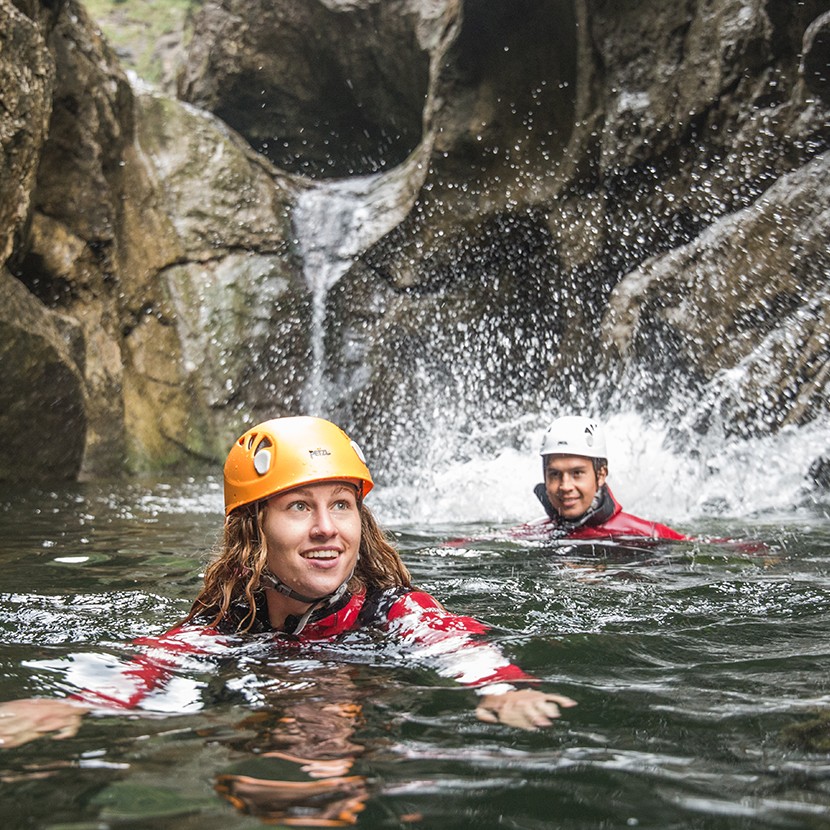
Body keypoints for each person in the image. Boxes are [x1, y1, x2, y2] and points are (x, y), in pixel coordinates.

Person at [0, 416, 576, 751]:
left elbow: (454, 641)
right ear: (254, 530)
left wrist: (503, 687)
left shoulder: (390, 611)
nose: (327, 529)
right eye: (300, 506)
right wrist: (74, 704)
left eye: (342, 505)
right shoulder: (230, 617)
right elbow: (157, 661)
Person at [514, 415, 688, 542]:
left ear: (601, 475)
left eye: (577, 473)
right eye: (555, 474)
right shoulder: (530, 533)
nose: (565, 486)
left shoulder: (649, 535)